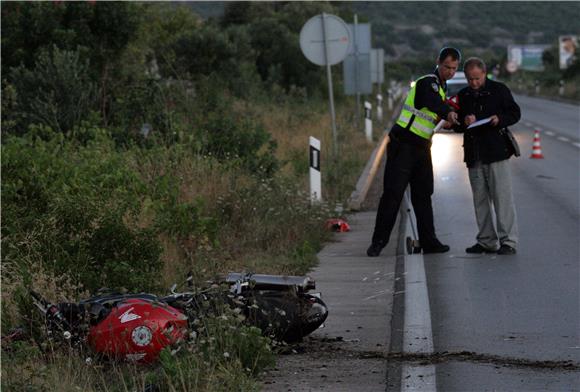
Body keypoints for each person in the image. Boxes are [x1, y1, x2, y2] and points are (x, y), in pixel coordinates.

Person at [367, 47, 460, 257]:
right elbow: (432, 102)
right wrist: (447, 112)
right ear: (438, 62)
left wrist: (445, 120)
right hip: (404, 145)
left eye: (454, 69)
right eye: (447, 67)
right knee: (393, 195)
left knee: (424, 195)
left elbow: (429, 114)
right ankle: (378, 242)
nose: (450, 72)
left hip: (422, 147)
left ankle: (429, 241)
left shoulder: (443, 87)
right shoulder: (428, 82)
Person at [455, 57, 521, 255]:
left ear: (484, 73)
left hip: (496, 152)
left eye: (476, 78)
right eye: (469, 79)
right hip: (474, 154)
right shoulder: (463, 95)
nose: (473, 83)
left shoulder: (499, 90)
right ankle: (486, 240)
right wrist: (463, 121)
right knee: (480, 200)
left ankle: (508, 241)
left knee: (502, 198)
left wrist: (499, 119)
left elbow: (515, 113)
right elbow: (457, 124)